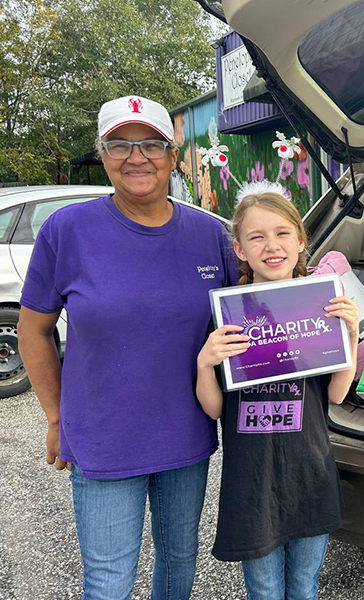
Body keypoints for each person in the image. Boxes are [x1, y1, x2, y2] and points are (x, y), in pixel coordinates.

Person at [18, 95, 237, 600]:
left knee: (179, 560)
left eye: (151, 145)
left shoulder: (211, 236)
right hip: (102, 438)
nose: (136, 157)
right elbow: (33, 332)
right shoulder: (66, 231)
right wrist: (56, 418)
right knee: (108, 580)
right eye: (120, 144)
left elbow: (252, 315)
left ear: (173, 154)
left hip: (186, 436)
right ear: (103, 153)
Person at [195, 181, 358, 600]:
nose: (272, 245)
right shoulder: (228, 315)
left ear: (301, 241)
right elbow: (214, 409)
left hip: (309, 474)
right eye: (256, 236)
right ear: (239, 249)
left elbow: (336, 395)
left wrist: (351, 337)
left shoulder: (320, 308)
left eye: (283, 233)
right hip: (252, 482)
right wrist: (205, 364)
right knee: (264, 591)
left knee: (304, 587)